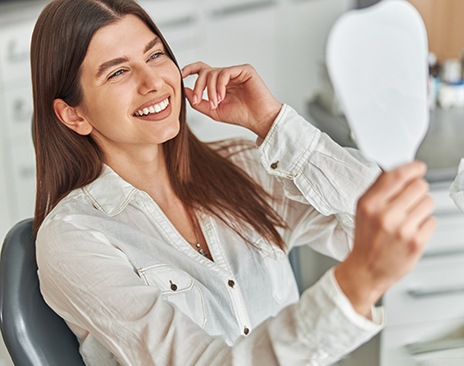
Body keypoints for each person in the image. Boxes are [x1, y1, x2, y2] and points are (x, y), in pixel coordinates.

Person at [31, 0, 436, 365]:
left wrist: (273, 122)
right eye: (118, 71)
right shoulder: (74, 239)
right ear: (73, 115)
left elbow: (377, 221)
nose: (152, 81)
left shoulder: (240, 168)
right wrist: (353, 287)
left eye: (155, 54)